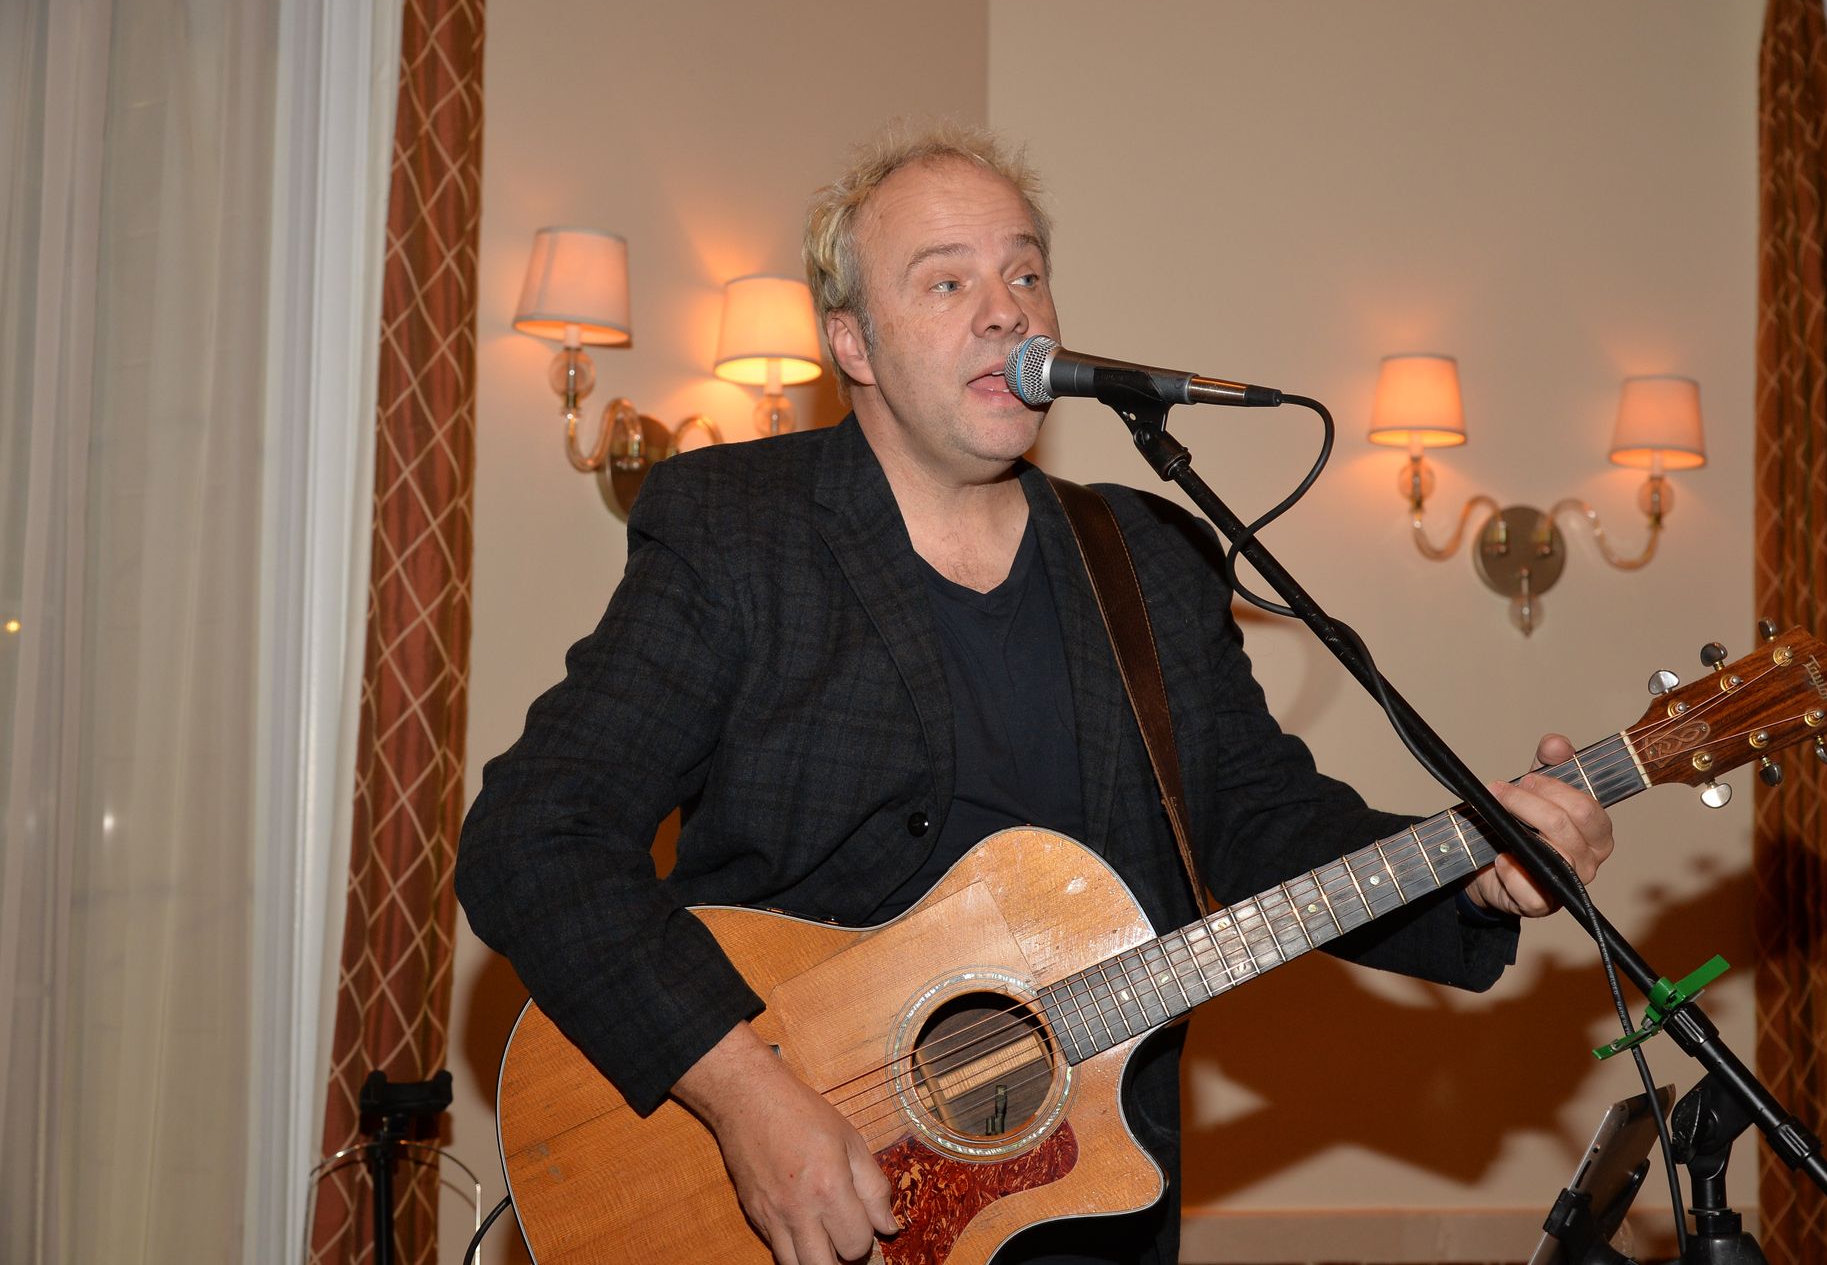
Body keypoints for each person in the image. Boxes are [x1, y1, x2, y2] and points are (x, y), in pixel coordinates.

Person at [456, 123, 1615, 1265]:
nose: (1008, 307)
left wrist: (1474, 867)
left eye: (1024, 271)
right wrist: (747, 1098)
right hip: (785, 1201)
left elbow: (1258, 825)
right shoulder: (739, 530)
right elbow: (533, 837)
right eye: (947, 279)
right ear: (852, 343)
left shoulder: (1149, 556)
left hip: (1085, 1203)